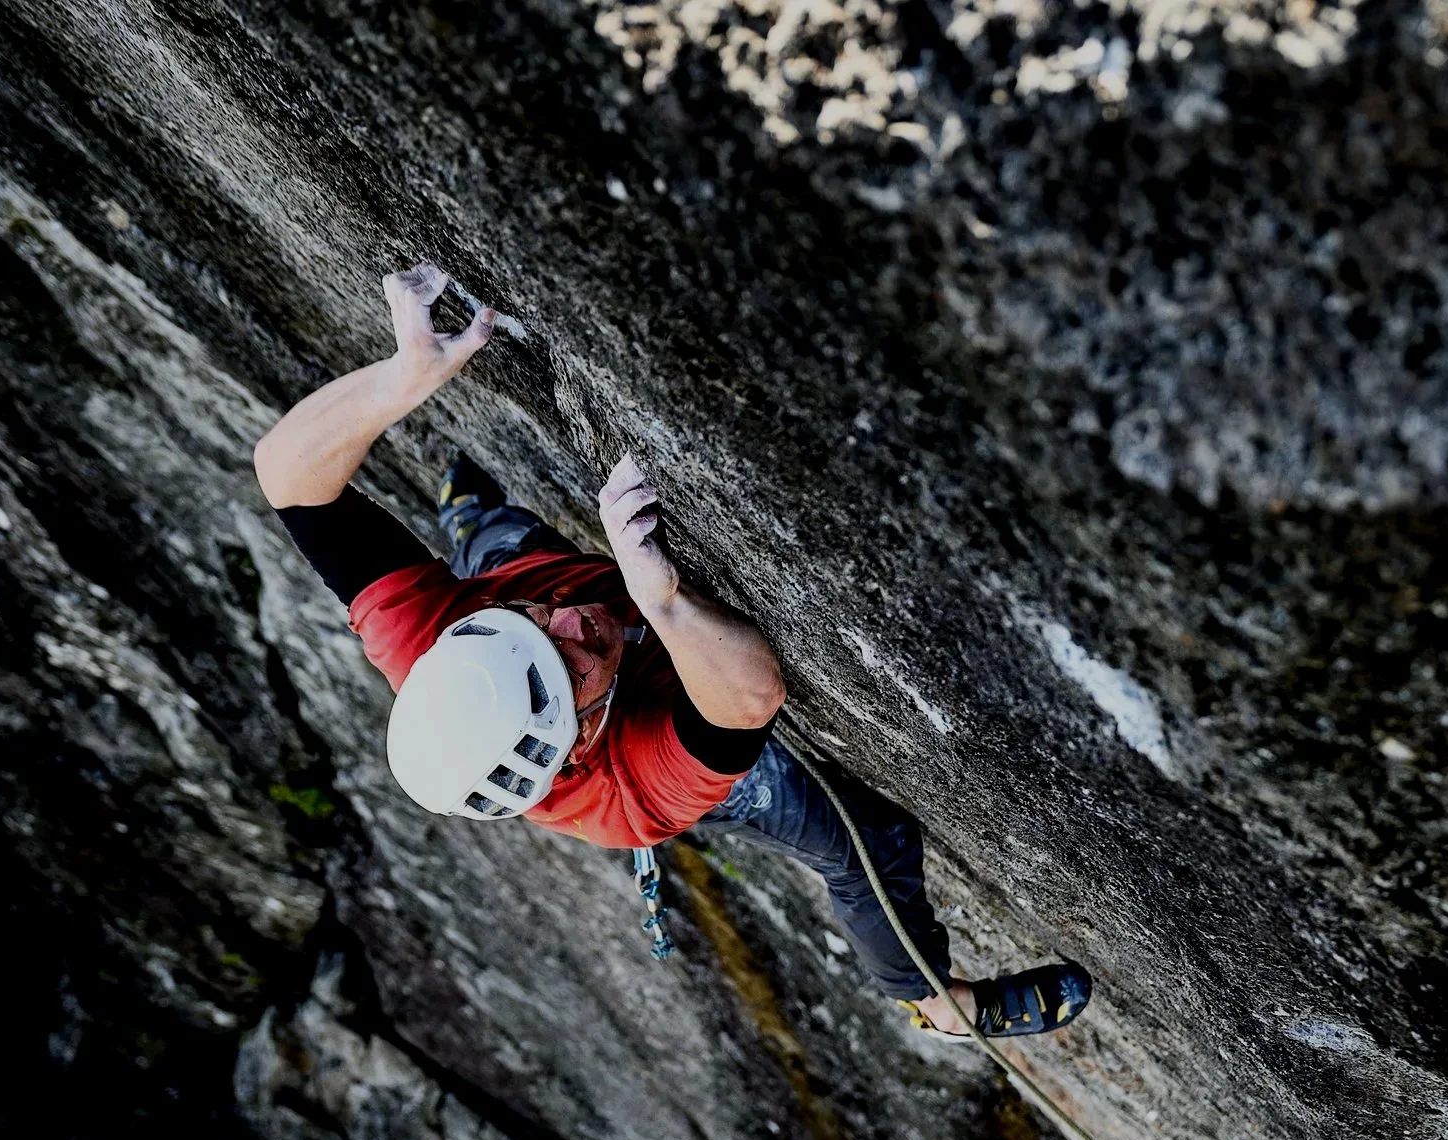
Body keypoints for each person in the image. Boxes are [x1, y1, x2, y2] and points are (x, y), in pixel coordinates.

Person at [252, 262, 1090, 1041]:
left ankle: (473, 527)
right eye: (568, 662)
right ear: (576, 735)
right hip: (680, 718)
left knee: (501, 550)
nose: (572, 621)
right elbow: (749, 700)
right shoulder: (624, 790)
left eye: (532, 624)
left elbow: (286, 471)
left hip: (499, 593)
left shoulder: (437, 647)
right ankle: (937, 1000)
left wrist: (399, 382)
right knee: (862, 839)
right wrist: (659, 599)